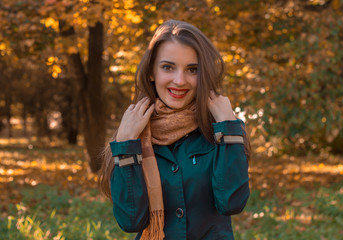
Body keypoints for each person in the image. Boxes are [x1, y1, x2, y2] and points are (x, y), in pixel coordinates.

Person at [98, 19, 250, 240]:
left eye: (192, 69)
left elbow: (232, 203)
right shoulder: (133, 135)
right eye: (168, 67)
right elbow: (131, 221)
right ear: (152, 72)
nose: (179, 80)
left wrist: (228, 127)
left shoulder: (221, 130)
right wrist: (126, 144)